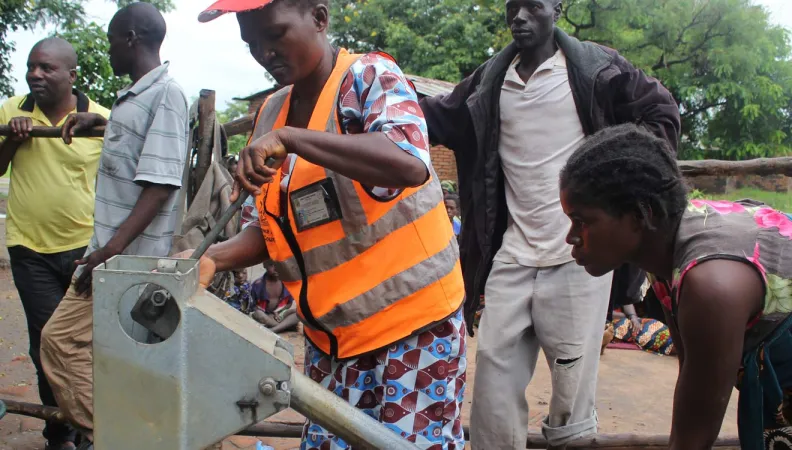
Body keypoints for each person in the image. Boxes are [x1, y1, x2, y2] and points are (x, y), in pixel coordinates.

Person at [186, 0, 467, 448]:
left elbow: (408, 163)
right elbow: (269, 229)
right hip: (332, 340)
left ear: (319, 18)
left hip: (412, 329)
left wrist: (294, 140)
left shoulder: (368, 78)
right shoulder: (271, 113)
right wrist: (207, 259)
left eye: (275, 35)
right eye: (251, 43)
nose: (264, 53)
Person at [419, 0, 680, 447]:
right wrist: (380, 96)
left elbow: (663, 114)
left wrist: (620, 184)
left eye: (533, 5)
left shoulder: (599, 71)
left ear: (556, 8)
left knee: (571, 400)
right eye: (512, 6)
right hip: (512, 255)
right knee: (492, 396)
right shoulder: (489, 82)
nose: (519, 15)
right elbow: (434, 118)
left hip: (579, 260)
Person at [559, 123, 792, 450]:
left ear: (641, 215)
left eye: (582, 221)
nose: (571, 236)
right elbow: (693, 385)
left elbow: (693, 440)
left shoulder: (709, 286)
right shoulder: (666, 257)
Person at [39, 4, 189, 449]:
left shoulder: (167, 94)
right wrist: (104, 124)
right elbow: (140, 148)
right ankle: (123, 435)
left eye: (109, 42)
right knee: (115, 357)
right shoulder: (136, 96)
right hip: (111, 252)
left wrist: (108, 254)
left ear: (130, 38)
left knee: (59, 342)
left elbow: (160, 185)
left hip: (122, 258)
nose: (106, 51)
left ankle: (116, 437)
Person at [0, 37, 109, 450]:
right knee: (46, 341)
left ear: (71, 75)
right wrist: (13, 138)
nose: (35, 74)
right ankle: (59, 433)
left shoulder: (99, 119)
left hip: (86, 249)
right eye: (31, 66)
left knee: (87, 344)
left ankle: (89, 427)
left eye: (46, 68)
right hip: (29, 250)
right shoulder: (12, 110)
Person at [249, 260, 298, 332]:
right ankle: (282, 327)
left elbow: (289, 303)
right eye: (271, 265)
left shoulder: (287, 283)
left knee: (299, 313)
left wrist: (279, 312)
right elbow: (252, 306)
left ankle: (273, 329)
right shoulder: (257, 285)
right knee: (259, 314)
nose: (276, 269)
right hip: (265, 317)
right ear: (264, 265)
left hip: (278, 316)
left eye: (279, 265)